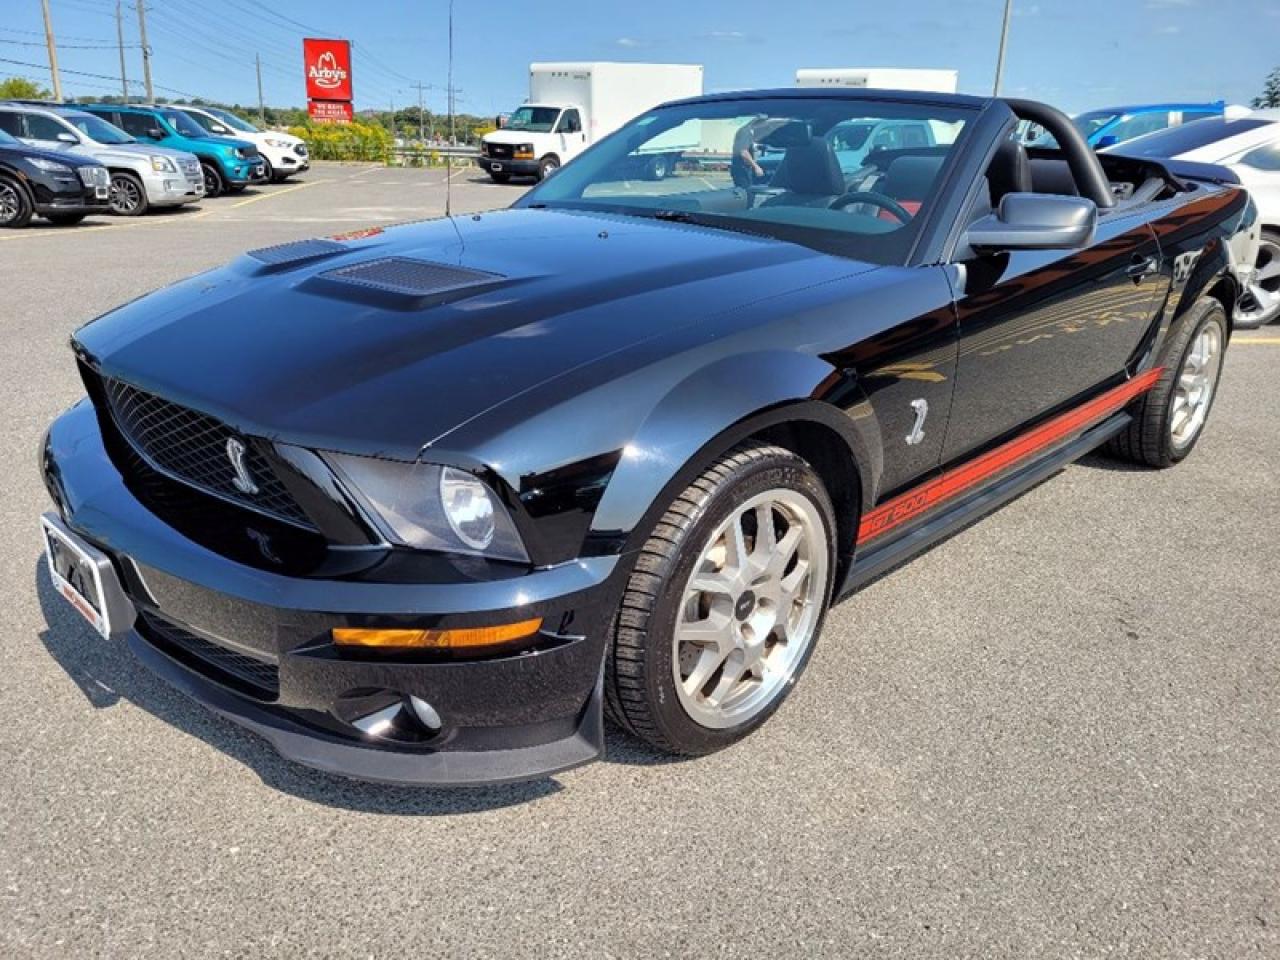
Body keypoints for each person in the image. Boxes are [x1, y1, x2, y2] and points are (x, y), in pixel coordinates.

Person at [730, 115, 771, 189]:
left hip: (742, 168)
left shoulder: (746, 131)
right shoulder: (745, 132)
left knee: (746, 192)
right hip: (742, 169)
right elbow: (744, 152)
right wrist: (756, 167)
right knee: (746, 194)